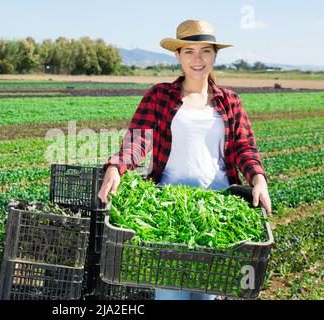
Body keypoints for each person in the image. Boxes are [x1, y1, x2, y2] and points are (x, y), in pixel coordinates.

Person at [97, 19, 272, 300]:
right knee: (169, 293)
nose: (197, 59)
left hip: (217, 210)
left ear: (215, 55)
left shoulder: (230, 101)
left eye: (205, 51)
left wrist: (258, 179)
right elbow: (137, 141)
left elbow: (245, 148)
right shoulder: (160, 96)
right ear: (178, 56)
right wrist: (117, 166)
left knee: (207, 293)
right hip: (169, 211)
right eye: (189, 51)